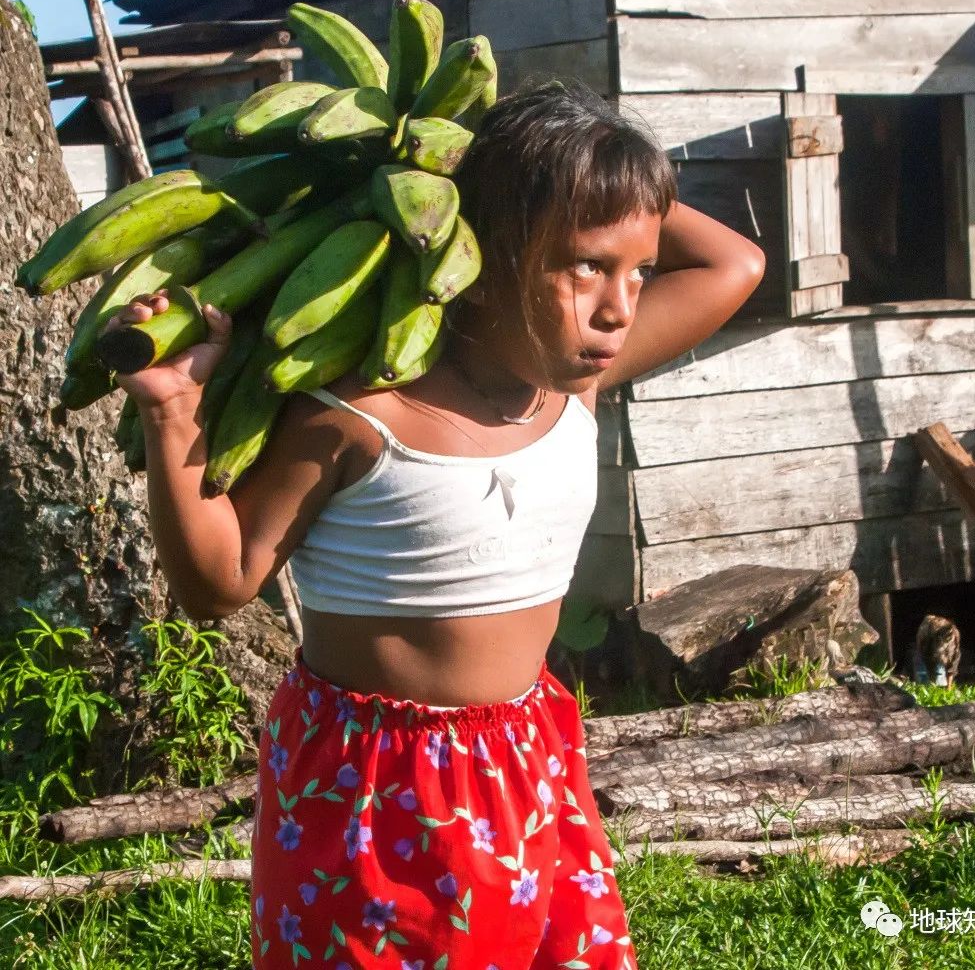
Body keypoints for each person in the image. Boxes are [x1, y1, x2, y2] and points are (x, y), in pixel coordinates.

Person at [104, 80, 766, 970]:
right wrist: (174, 414)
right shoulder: (358, 414)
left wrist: (604, 174)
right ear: (484, 252)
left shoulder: (572, 385)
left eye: (638, 271)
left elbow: (737, 266)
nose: (620, 306)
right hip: (373, 784)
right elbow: (219, 581)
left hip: (529, 754)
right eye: (584, 265)